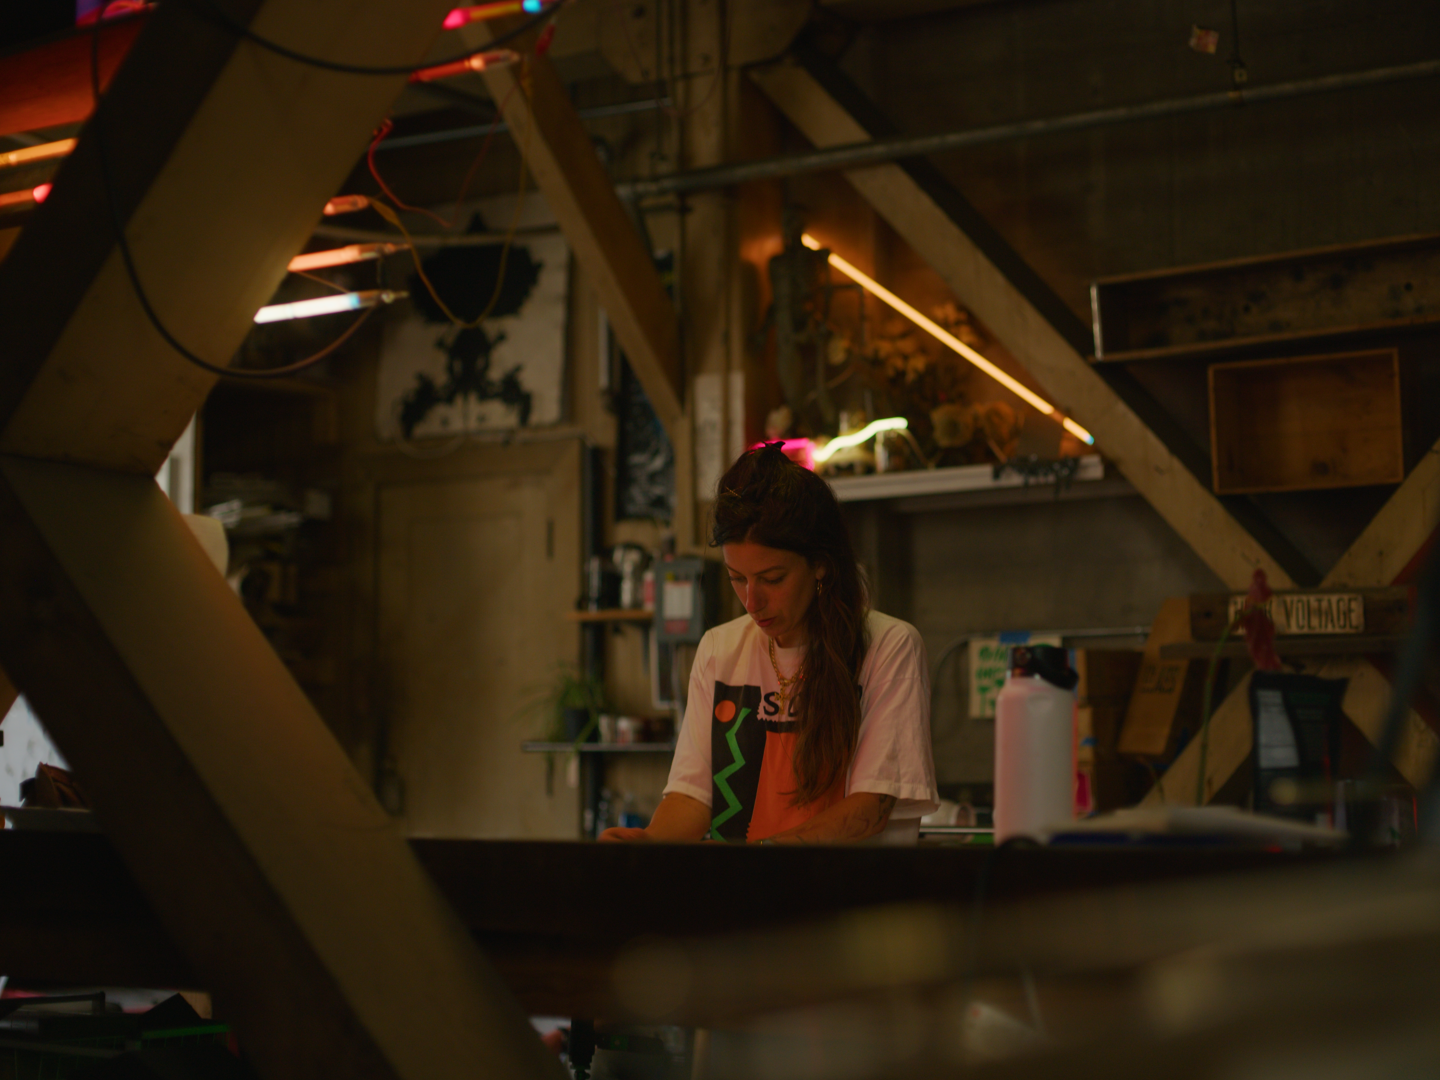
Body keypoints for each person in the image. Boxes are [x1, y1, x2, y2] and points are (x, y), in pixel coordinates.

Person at [600, 444, 939, 844]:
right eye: (737, 579)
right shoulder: (719, 650)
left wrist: (762, 862)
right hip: (744, 900)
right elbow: (692, 798)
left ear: (821, 564)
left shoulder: (888, 647)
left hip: (848, 901)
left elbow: (869, 809)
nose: (752, 601)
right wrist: (651, 844)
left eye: (772, 579)